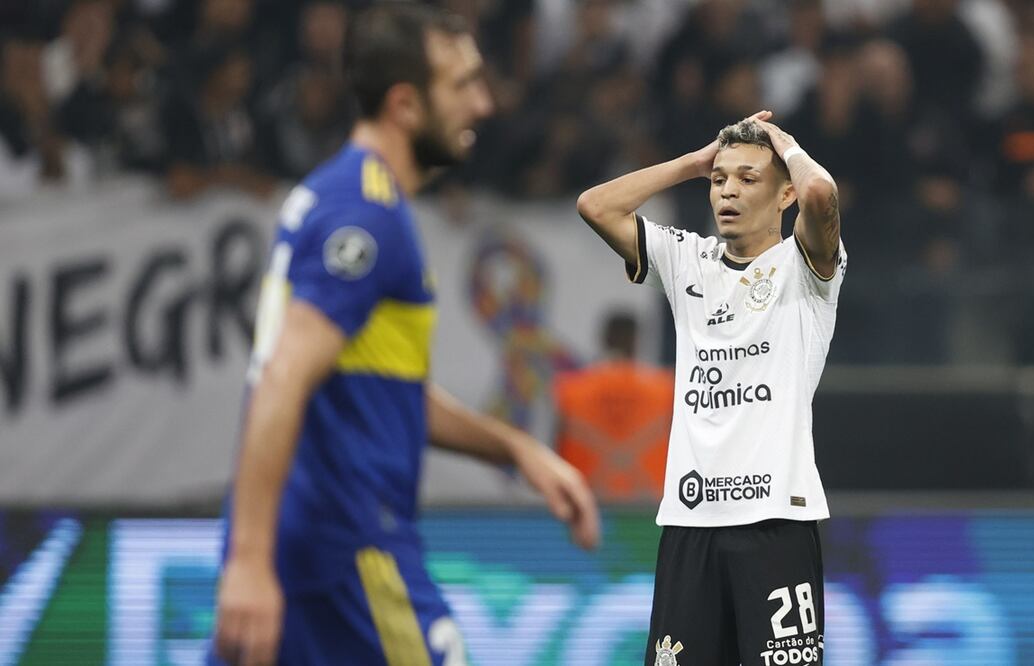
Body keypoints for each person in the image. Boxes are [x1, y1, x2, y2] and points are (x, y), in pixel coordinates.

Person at [208, 4, 600, 665]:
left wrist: (515, 449)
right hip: (351, 549)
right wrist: (247, 561)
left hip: (305, 548)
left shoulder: (344, 194)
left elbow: (383, 392)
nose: (483, 103)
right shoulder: (365, 215)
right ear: (405, 105)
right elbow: (284, 374)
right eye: (462, 85)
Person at [577, 110, 845, 665]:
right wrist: (692, 164)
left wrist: (787, 145)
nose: (728, 191)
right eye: (720, 180)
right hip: (690, 522)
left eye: (748, 179)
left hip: (776, 520)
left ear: (784, 195)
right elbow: (595, 206)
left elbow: (821, 192)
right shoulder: (687, 261)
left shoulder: (804, 267)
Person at [553, 311, 674, 502]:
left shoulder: (571, 389)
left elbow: (555, 451)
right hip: (648, 506)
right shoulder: (665, 388)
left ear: (604, 339)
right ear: (637, 341)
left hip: (584, 503)